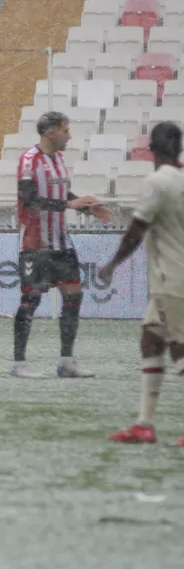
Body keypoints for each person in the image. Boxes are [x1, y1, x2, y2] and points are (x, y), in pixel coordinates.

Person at [11, 110, 112, 378]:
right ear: (50, 132)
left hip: (61, 243)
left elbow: (61, 194)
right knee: (30, 301)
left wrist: (89, 209)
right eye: (66, 131)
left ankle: (66, 362)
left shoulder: (59, 159)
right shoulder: (29, 160)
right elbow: (30, 199)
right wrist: (70, 204)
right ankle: (19, 364)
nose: (69, 136)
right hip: (35, 243)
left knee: (73, 297)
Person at [102, 122, 184, 444]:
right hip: (171, 276)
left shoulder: (158, 182)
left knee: (179, 348)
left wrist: (112, 263)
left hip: (171, 277)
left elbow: (137, 230)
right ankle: (144, 425)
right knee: (151, 340)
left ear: (151, 148)